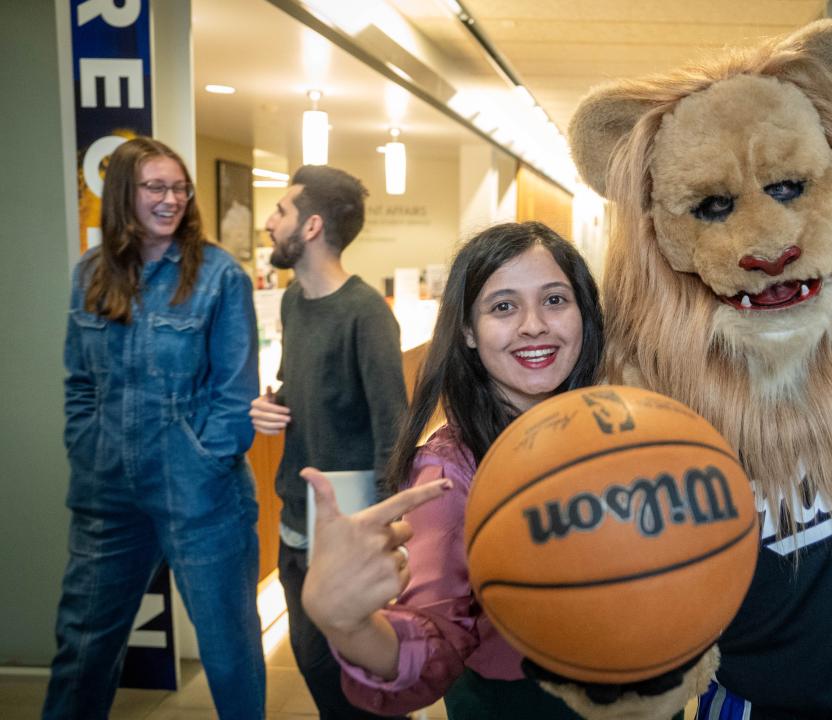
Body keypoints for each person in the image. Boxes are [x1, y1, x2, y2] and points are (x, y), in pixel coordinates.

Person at [300, 222, 604, 718]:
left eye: (554, 299)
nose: (533, 324)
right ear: (467, 330)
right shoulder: (450, 472)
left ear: (584, 314)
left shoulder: (628, 431)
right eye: (503, 306)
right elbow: (430, 641)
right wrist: (349, 625)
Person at [45, 137, 263, 718]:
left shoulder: (218, 275)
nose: (172, 200)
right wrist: (87, 448)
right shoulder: (91, 274)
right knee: (82, 650)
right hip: (107, 493)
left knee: (229, 653)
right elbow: (79, 382)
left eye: (179, 188)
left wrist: (203, 460)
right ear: (124, 194)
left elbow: (234, 394)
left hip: (201, 495)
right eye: (155, 188)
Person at [248, 165, 408, 719]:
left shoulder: (366, 314)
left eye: (281, 211)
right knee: (314, 665)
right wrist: (272, 405)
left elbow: (395, 431)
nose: (269, 223)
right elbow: (300, 386)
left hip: (349, 535)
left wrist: (389, 542)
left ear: (311, 227)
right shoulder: (294, 303)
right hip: (296, 524)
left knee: (364, 686)